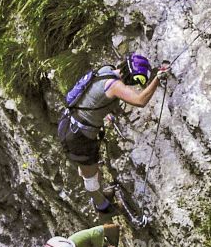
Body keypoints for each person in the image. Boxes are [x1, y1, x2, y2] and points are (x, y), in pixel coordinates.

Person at [57, 54, 169, 213]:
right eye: (136, 81)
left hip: (70, 123)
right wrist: (156, 80)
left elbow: (96, 96)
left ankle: (95, 189)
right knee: (92, 176)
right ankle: (101, 206)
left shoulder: (107, 70)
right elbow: (140, 101)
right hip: (79, 136)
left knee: (87, 169)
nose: (134, 85)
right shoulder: (114, 85)